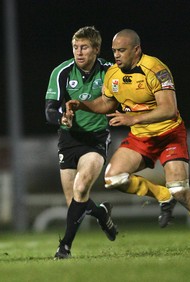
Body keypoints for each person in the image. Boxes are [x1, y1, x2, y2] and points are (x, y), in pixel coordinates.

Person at [66, 29, 190, 252]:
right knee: (113, 178)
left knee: (180, 191)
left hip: (169, 135)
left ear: (136, 50)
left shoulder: (156, 69)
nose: (116, 55)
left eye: (122, 51)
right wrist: (81, 104)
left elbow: (169, 109)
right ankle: (162, 195)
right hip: (141, 137)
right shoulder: (113, 74)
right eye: (114, 51)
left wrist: (132, 118)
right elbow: (107, 103)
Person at [45, 26, 119, 260]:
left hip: (96, 138)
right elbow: (49, 109)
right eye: (76, 47)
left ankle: (64, 247)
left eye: (84, 47)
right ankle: (101, 214)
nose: (79, 52)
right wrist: (61, 117)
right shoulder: (62, 71)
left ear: (96, 49)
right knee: (75, 202)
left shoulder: (110, 71)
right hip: (69, 138)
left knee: (81, 187)